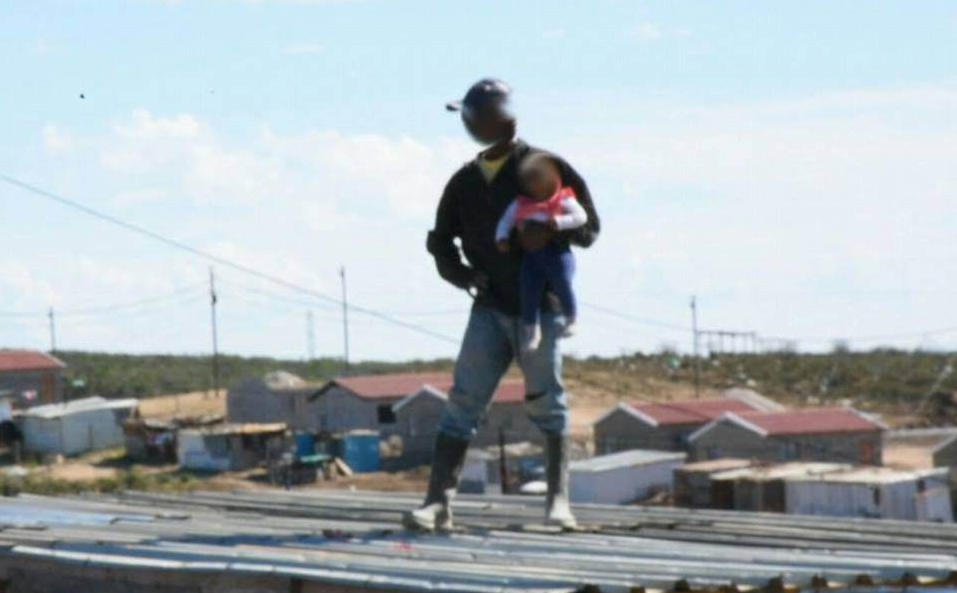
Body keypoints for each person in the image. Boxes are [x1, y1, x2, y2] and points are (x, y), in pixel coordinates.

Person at [402, 78, 600, 532]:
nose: (470, 125)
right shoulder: (466, 182)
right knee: (463, 402)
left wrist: (551, 234)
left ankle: (557, 503)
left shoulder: (544, 168)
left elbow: (589, 227)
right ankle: (438, 503)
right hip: (489, 308)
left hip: (542, 308)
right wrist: (465, 277)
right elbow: (440, 243)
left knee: (548, 402)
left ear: (501, 122)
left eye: (475, 117)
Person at [495, 153, 588, 352]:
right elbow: (505, 221)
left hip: (556, 249)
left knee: (562, 280)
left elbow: (581, 217)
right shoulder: (520, 204)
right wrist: (501, 238)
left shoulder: (561, 199)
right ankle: (532, 331)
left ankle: (571, 318)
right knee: (528, 289)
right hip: (531, 253)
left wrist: (560, 222)